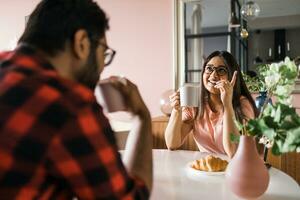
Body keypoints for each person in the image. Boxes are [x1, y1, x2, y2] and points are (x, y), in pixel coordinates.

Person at [0, 0, 152, 199]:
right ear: (81, 43)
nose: (102, 66)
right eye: (104, 52)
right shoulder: (71, 105)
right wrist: (142, 117)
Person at [165, 51, 258, 158]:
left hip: (237, 170)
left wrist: (227, 104)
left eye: (221, 70)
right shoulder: (195, 104)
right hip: (208, 170)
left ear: (232, 77)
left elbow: (234, 152)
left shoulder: (243, 105)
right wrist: (176, 110)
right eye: (209, 69)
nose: (213, 75)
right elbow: (172, 144)